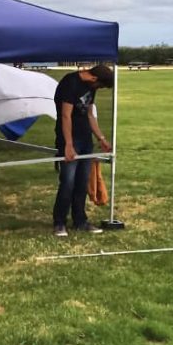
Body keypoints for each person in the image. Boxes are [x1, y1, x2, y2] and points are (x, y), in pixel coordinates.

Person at [53, 64, 114, 237]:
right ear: (95, 78)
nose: (98, 89)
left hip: (85, 139)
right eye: (100, 86)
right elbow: (65, 115)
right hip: (69, 139)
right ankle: (59, 222)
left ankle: (80, 220)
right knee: (68, 182)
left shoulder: (90, 87)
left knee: (82, 182)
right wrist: (69, 144)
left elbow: (89, 115)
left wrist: (101, 138)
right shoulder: (70, 83)